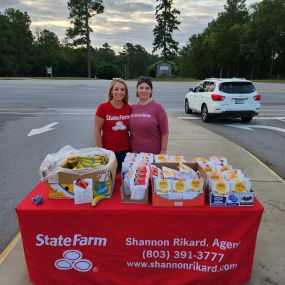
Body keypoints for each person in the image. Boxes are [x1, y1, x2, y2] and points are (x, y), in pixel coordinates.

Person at [94, 78, 131, 171]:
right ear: (111, 91)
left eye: (122, 90)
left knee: (123, 179)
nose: (119, 92)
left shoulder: (129, 108)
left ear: (125, 93)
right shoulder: (103, 107)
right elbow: (97, 130)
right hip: (108, 151)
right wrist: (101, 151)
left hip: (126, 151)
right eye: (116, 89)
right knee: (110, 180)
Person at [129, 76, 169, 154]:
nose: (144, 91)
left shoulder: (158, 107)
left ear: (151, 91)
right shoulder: (132, 108)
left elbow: (164, 132)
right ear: (137, 90)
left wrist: (163, 151)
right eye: (141, 88)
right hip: (134, 155)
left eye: (147, 88)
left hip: (153, 155)